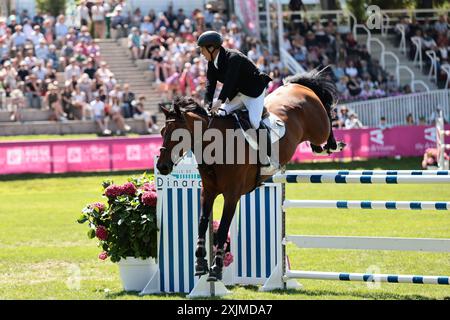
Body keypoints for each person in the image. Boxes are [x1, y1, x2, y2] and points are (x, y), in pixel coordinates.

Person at [197, 31, 272, 130]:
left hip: (254, 90)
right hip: (238, 93)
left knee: (254, 122)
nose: (201, 53)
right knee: (220, 115)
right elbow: (210, 85)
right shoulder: (211, 64)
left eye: (202, 49)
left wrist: (219, 101)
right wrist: (207, 105)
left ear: (211, 48)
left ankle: (268, 143)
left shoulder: (234, 57)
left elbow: (230, 81)